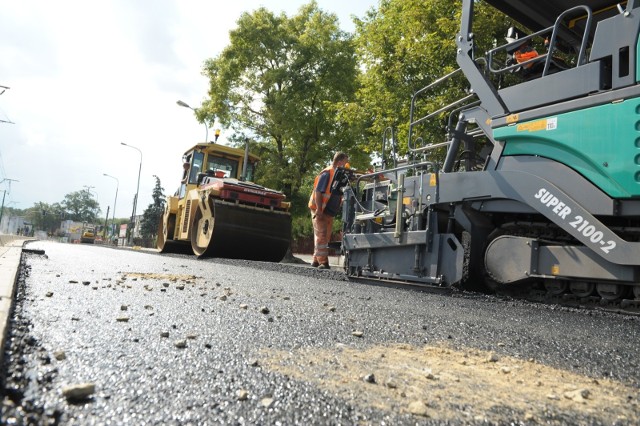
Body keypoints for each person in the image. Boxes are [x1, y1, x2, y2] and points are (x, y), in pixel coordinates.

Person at [308, 152, 349, 269]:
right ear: (340, 161)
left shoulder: (338, 175)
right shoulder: (327, 173)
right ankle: (323, 262)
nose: (346, 165)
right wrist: (319, 210)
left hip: (328, 210)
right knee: (321, 235)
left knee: (325, 236)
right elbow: (318, 192)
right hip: (320, 209)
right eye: (345, 162)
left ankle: (316, 260)